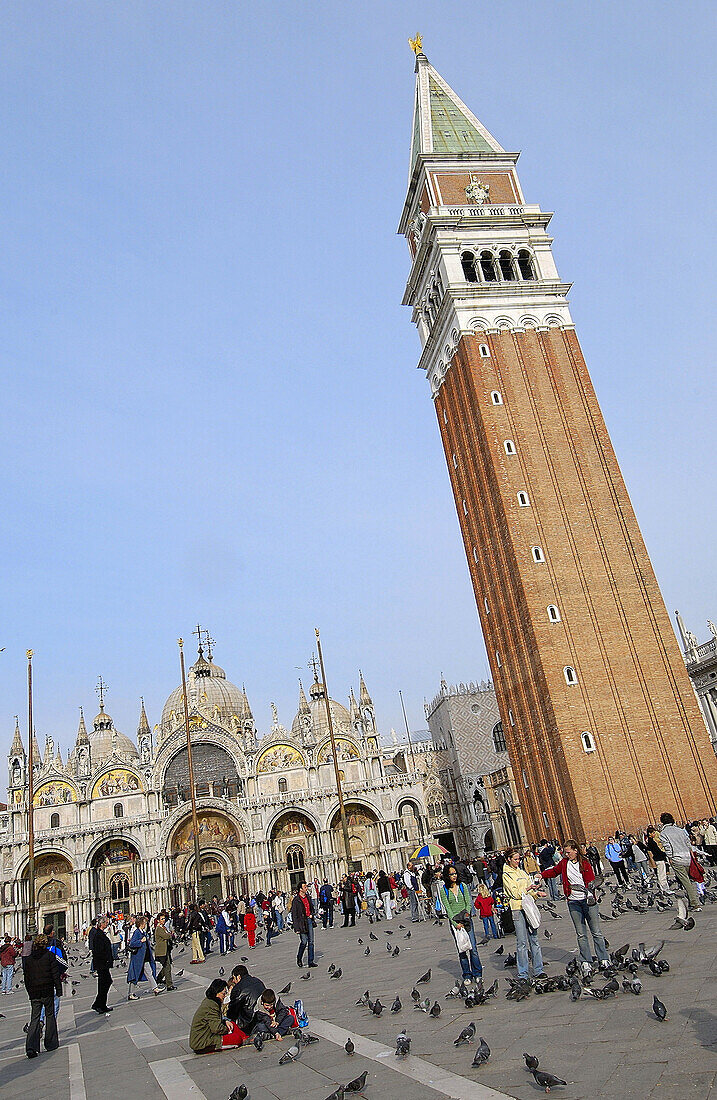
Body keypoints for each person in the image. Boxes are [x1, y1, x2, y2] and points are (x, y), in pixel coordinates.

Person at [542, 840, 610, 971]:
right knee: (581, 934)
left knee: (596, 932)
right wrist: (542, 874)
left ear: (575, 850)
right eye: (565, 852)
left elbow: (590, 880)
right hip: (573, 902)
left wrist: (590, 891)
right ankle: (586, 960)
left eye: (568, 852)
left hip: (588, 901)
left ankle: (604, 958)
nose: (566, 855)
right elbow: (554, 871)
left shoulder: (584, 863)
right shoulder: (564, 863)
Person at [502, 847, 546, 987]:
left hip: (528, 908)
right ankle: (523, 973)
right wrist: (527, 889)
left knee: (534, 939)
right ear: (509, 859)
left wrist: (536, 893)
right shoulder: (506, 874)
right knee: (521, 943)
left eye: (519, 859)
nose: (518, 861)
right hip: (517, 909)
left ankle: (538, 970)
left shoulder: (522, 872)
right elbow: (514, 893)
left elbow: (529, 887)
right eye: (515, 859)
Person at [438, 864, 483, 984]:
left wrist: (467, 915)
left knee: (473, 948)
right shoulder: (444, 890)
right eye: (451, 874)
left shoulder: (463, 886)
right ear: (447, 876)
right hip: (455, 924)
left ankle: (477, 973)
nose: (454, 876)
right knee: (462, 949)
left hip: (466, 920)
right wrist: (455, 923)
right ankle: (467, 975)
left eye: (455, 873)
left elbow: (468, 902)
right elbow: (448, 909)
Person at [23, 933, 62, 1058]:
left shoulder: (28, 959)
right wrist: (59, 989)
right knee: (50, 1016)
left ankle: (31, 1047)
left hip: (34, 992)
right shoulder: (50, 956)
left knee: (35, 1018)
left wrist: (29, 991)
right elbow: (55, 974)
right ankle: (50, 1043)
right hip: (47, 990)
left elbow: (27, 978)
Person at [659, 813, 701, 911]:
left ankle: (695, 904)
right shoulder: (680, 830)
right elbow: (688, 843)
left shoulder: (663, 833)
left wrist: (669, 858)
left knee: (686, 882)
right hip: (687, 858)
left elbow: (667, 847)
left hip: (677, 859)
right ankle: (692, 901)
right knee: (688, 881)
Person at [189, 978, 232, 1054]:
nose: (225, 996)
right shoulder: (212, 1005)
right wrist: (228, 1031)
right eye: (223, 993)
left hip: (202, 1038)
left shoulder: (209, 1001)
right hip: (201, 1042)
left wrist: (225, 1022)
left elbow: (214, 1020)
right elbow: (216, 1028)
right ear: (216, 992)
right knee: (235, 1039)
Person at [127, 916, 163, 1000]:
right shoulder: (137, 932)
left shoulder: (142, 932)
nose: (146, 924)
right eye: (145, 923)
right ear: (141, 924)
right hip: (138, 958)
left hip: (144, 958)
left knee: (149, 973)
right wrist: (141, 941)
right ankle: (130, 994)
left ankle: (155, 988)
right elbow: (132, 943)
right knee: (135, 975)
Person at [226, 964, 265, 1032]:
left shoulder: (238, 988)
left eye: (234, 978)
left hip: (248, 1022)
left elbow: (233, 1010)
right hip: (264, 1015)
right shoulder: (258, 981)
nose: (233, 981)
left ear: (238, 977)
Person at [90, 916, 114, 1014]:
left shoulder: (100, 934)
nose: (107, 924)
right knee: (105, 983)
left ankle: (101, 1004)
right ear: (102, 924)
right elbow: (99, 951)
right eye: (106, 922)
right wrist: (106, 961)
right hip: (102, 964)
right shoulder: (98, 935)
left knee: (105, 982)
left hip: (103, 964)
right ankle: (98, 1005)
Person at [291, 882, 316, 968]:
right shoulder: (296, 900)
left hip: (309, 920)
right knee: (304, 941)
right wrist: (296, 927)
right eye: (305, 887)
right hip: (301, 922)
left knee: (311, 941)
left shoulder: (308, 897)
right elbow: (294, 915)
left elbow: (312, 908)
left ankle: (310, 961)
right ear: (300, 889)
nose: (306, 888)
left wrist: (312, 914)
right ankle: (299, 957)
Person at [154, 911, 175, 991]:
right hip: (162, 951)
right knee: (167, 967)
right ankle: (169, 985)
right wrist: (171, 935)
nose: (163, 920)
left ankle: (158, 979)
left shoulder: (163, 927)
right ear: (158, 920)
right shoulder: (159, 928)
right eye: (161, 919)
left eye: (164, 919)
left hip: (165, 950)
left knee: (166, 966)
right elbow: (166, 936)